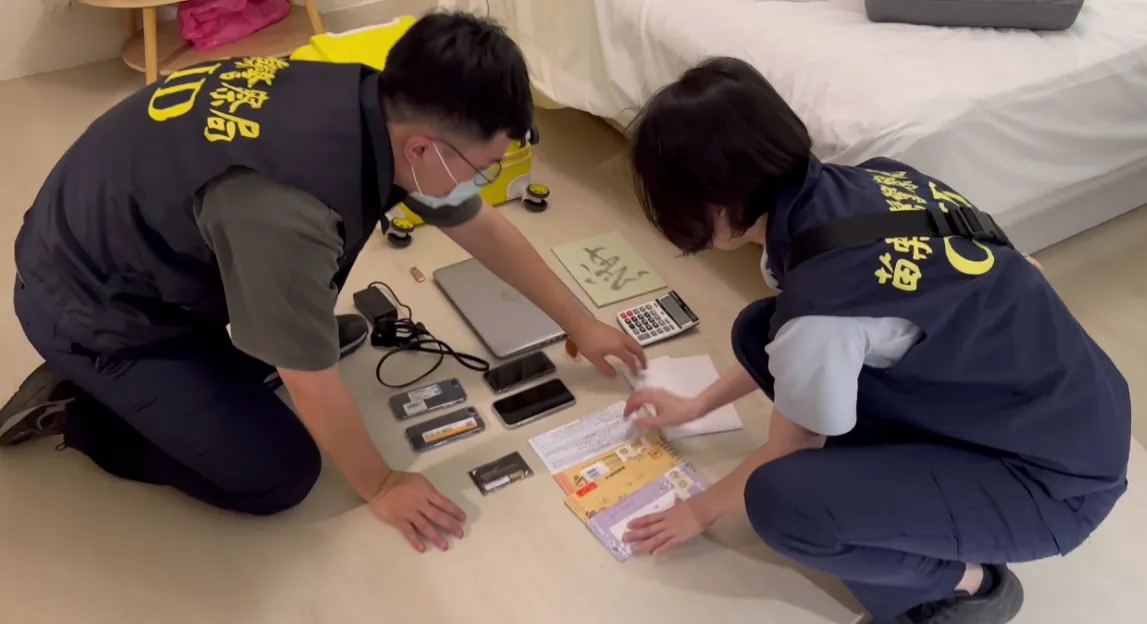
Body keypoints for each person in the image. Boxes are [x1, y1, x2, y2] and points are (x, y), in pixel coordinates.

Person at [0, 12, 644, 554]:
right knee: (278, 474)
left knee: (285, 341)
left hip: (134, 252)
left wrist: (580, 322)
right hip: (94, 310)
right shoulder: (288, 209)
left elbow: (481, 227)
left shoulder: (370, 98)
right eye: (485, 166)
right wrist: (383, 485)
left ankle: (253, 345)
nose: (486, 179)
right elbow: (308, 379)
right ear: (424, 148)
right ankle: (84, 409)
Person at [617, 57, 1130, 624]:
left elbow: (792, 438)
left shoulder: (819, 309)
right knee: (758, 330)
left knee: (783, 503)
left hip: (1055, 485)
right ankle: (917, 501)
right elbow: (1020, 267)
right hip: (1077, 410)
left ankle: (969, 587)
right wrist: (696, 406)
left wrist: (698, 511)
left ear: (716, 202)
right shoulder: (867, 182)